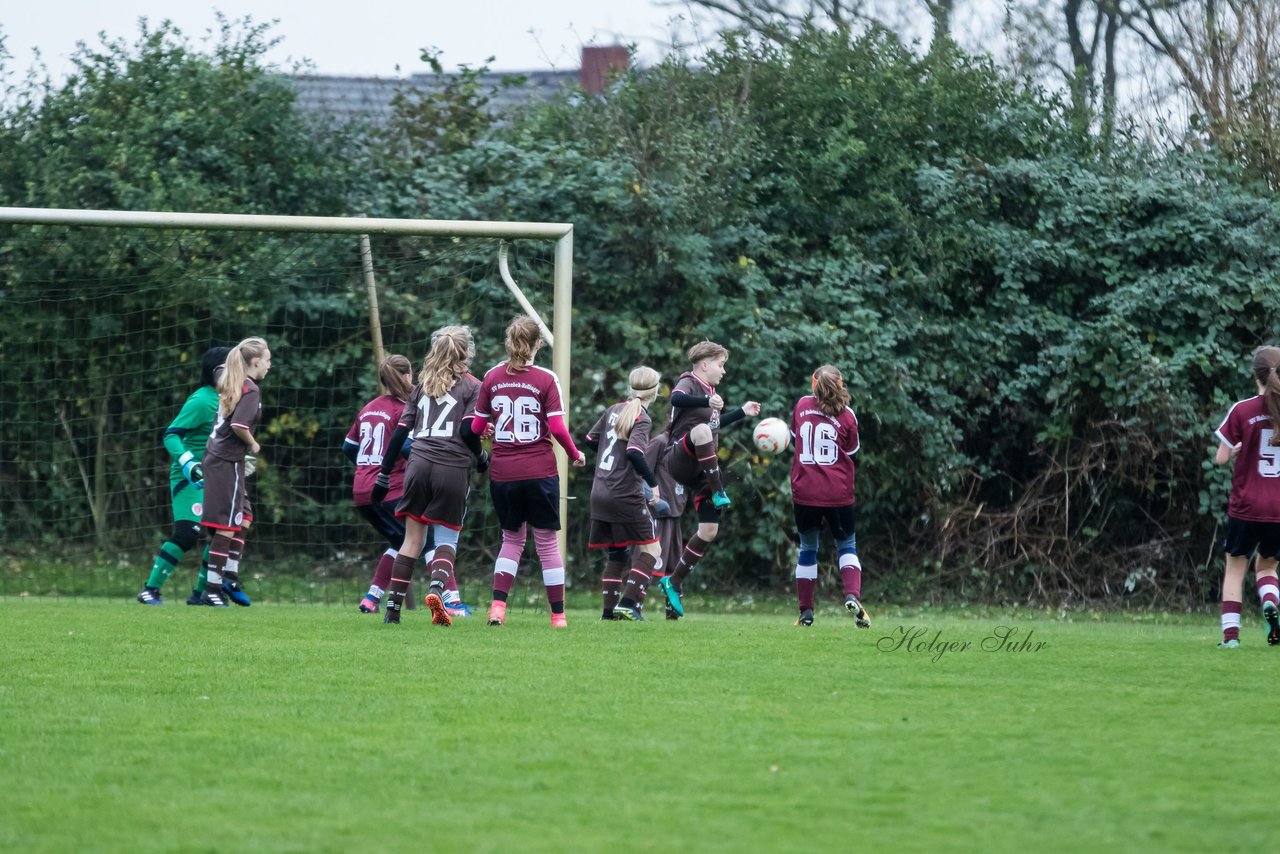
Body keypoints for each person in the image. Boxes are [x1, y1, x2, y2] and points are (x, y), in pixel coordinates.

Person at [470, 315, 586, 628]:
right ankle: (558, 616)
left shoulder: (492, 377)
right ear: (537, 344)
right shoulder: (546, 378)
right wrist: (575, 454)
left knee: (511, 540)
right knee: (546, 542)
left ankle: (497, 608)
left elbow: (477, 426)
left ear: (508, 343)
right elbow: (559, 428)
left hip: (503, 473)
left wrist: (488, 429)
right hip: (539, 470)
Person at [370, 326, 487, 625]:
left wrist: (384, 475)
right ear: (466, 352)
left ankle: (392, 611)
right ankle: (437, 588)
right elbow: (467, 430)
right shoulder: (474, 386)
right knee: (448, 538)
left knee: (412, 540)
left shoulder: (421, 385)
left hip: (418, 464)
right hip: (452, 466)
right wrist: (482, 456)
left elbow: (400, 433)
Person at [343, 354, 470, 618]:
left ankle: (372, 599)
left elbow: (348, 447)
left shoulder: (368, 408)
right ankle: (451, 600)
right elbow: (402, 444)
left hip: (362, 489)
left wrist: (367, 467)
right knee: (428, 540)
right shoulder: (403, 408)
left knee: (400, 542)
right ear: (406, 376)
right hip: (391, 486)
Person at [656, 340, 760, 620]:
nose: (723, 371)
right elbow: (676, 400)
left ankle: (673, 583)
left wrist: (741, 412)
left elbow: (713, 426)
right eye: (721, 365)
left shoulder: (711, 393)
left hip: (702, 467)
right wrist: (706, 401)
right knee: (701, 432)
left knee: (709, 531)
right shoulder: (689, 382)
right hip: (678, 457)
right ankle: (719, 491)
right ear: (704, 364)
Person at [136, 345, 238, 606]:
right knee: (188, 532)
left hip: (216, 476)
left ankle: (201, 594)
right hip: (191, 478)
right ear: (218, 372)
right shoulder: (202, 400)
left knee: (221, 535)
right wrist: (187, 462)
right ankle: (150, 590)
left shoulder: (229, 399)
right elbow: (171, 434)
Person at [789, 365, 870, 628]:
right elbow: (852, 452)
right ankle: (852, 595)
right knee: (847, 546)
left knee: (808, 549)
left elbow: (794, 441)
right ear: (840, 383)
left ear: (814, 384)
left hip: (805, 493)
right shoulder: (847, 416)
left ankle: (806, 613)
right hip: (838, 493)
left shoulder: (801, 406)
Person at [1213, 345, 1280, 648]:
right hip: (1278, 510)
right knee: (1266, 568)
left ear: (1256, 374)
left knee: (1235, 568)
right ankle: (1270, 601)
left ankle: (1231, 639)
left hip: (1245, 507)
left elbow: (1221, 458)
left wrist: (1236, 449)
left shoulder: (1242, 410)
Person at [584, 366, 664, 621]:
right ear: (656, 391)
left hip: (600, 491)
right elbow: (634, 452)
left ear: (631, 388)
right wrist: (653, 483)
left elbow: (590, 439)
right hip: (623, 493)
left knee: (617, 551)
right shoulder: (643, 417)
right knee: (653, 551)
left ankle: (608, 612)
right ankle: (629, 603)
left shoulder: (613, 410)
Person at [199, 336, 271, 607]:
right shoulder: (250, 389)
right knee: (226, 526)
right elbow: (240, 426)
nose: (269, 365)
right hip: (225, 461)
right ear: (255, 362)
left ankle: (228, 576)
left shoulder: (233, 379)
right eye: (267, 360)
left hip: (224, 459)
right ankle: (213, 590)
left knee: (245, 517)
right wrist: (253, 444)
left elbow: (221, 368)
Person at [644, 430, 686, 589]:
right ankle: (633, 605)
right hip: (658, 513)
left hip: (676, 512)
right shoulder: (660, 442)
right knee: (647, 562)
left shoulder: (688, 444)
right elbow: (641, 473)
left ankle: (673, 611)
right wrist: (653, 499)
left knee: (675, 567)